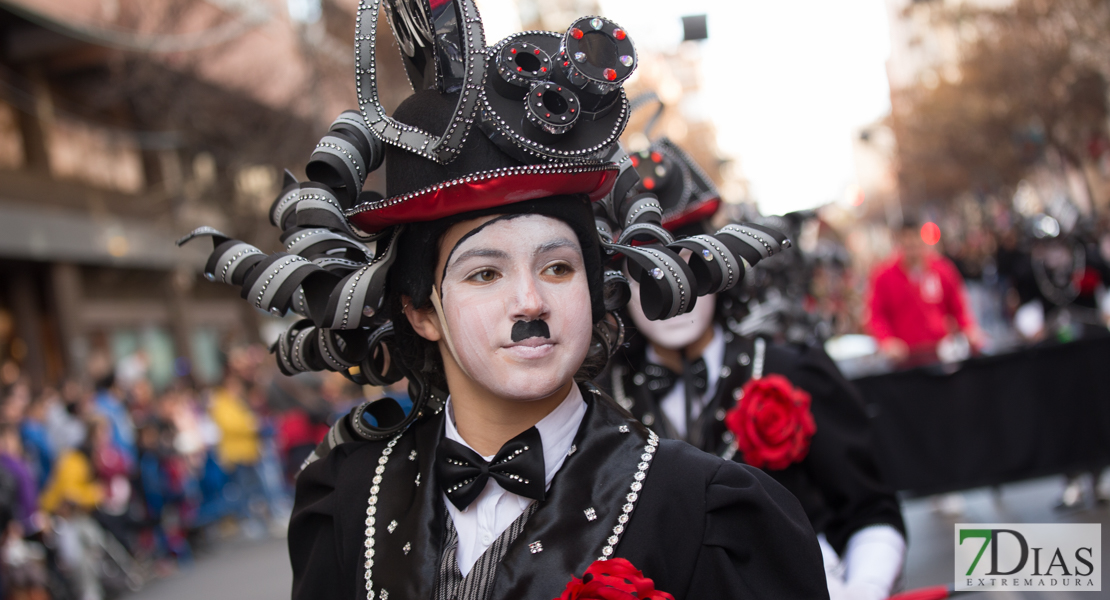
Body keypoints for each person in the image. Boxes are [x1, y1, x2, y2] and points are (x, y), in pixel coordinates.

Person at [181, 4, 828, 599]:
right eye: (484, 274)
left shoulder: (705, 506)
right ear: (420, 310)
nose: (529, 301)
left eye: (557, 266)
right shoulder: (350, 498)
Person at [605, 139, 907, 600]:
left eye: (691, 264)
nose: (673, 292)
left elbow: (869, 509)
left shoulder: (791, 370)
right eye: (647, 271)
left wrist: (863, 588)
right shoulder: (603, 405)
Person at [866, 219, 982, 367]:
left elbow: (958, 308)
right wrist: (887, 340)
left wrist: (969, 328)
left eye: (914, 240)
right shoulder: (883, 276)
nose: (911, 246)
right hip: (905, 361)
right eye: (906, 242)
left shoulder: (942, 269)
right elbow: (876, 315)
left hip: (942, 354)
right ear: (899, 243)